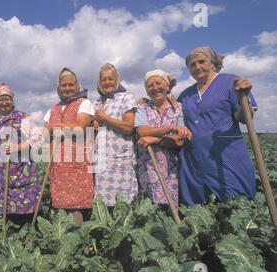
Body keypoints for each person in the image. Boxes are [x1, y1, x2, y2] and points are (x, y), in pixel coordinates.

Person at [178, 46, 257, 206]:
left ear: (212, 63)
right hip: (195, 157)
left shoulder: (231, 82)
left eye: (201, 62)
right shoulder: (186, 94)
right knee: (201, 208)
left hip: (226, 153)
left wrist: (243, 97)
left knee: (235, 202)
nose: (197, 67)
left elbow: (244, 119)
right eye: (192, 65)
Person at [0, 83, 42, 225]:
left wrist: (17, 147)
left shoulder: (22, 117)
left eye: (7, 99)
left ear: (12, 100)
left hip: (16, 171)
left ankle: (25, 238)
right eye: (0, 100)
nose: (4, 102)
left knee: (21, 212)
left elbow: (38, 138)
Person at [135, 69, 192, 209]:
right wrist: (170, 129)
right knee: (148, 209)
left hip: (171, 168)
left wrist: (155, 140)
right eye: (150, 86)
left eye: (158, 83)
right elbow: (143, 132)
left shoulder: (178, 108)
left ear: (167, 86)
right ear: (146, 91)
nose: (155, 88)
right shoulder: (141, 107)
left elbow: (179, 141)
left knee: (171, 209)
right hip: (147, 167)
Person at [43, 68, 94, 224]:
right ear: (59, 88)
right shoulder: (54, 108)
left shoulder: (84, 103)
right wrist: (53, 131)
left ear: (77, 85)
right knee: (60, 204)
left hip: (76, 161)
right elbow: (45, 134)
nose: (67, 88)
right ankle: (63, 240)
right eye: (63, 85)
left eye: (71, 85)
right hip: (57, 163)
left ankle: (79, 240)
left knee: (76, 204)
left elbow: (80, 128)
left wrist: (56, 125)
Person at [92, 63, 138, 207]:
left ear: (117, 79)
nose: (107, 83)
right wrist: (94, 125)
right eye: (103, 80)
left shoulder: (126, 98)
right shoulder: (97, 102)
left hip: (120, 159)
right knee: (102, 205)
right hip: (101, 159)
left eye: (110, 79)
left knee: (123, 203)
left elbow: (128, 127)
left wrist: (104, 118)